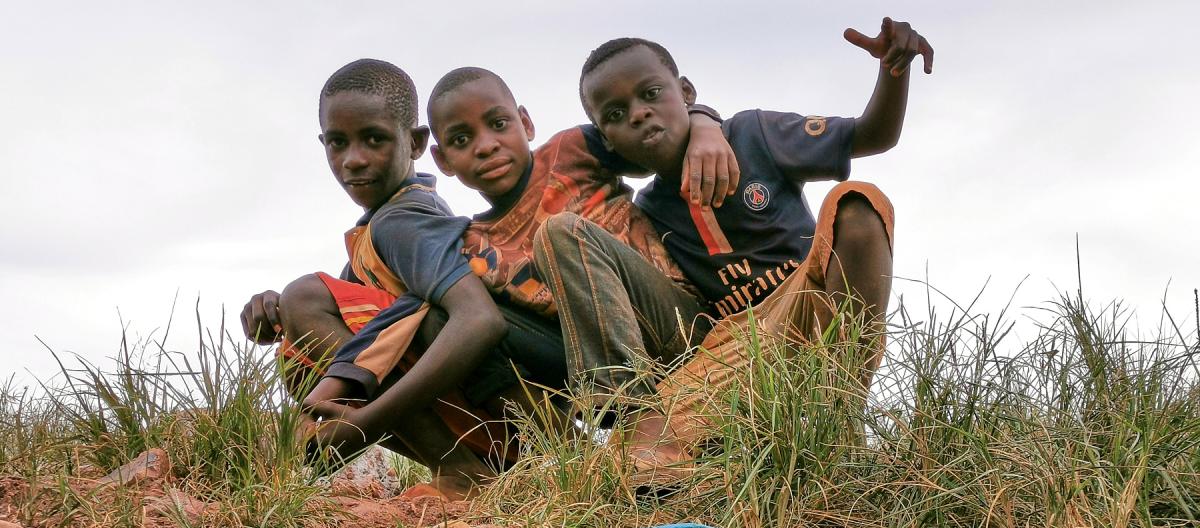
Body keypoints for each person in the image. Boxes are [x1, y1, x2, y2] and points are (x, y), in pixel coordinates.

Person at [532, 20, 934, 475]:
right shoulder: (647, 213)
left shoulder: (752, 135)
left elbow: (874, 134)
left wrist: (894, 70)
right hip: (729, 346)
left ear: (685, 92)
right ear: (607, 139)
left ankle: (841, 415)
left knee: (858, 202)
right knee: (562, 231)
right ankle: (632, 412)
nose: (639, 114)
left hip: (807, 305)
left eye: (651, 94)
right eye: (616, 114)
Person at [307, 65, 738, 443]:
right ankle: (554, 447)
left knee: (561, 232)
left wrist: (704, 121)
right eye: (461, 139)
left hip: (675, 325)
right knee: (442, 315)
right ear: (442, 160)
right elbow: (403, 309)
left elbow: (656, 138)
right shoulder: (470, 242)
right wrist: (336, 383)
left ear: (526, 123)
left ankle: (632, 414)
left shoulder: (573, 151)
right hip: (582, 360)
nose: (485, 146)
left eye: (498, 124)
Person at [239, 58, 516, 498]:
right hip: (493, 423)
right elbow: (359, 316)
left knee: (306, 298)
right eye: (338, 142)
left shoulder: (404, 220)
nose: (353, 160)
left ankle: (460, 471)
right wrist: (277, 311)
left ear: (416, 142)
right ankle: (468, 465)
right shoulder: (382, 226)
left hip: (513, 411)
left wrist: (368, 422)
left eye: (374, 139)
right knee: (300, 339)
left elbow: (480, 319)